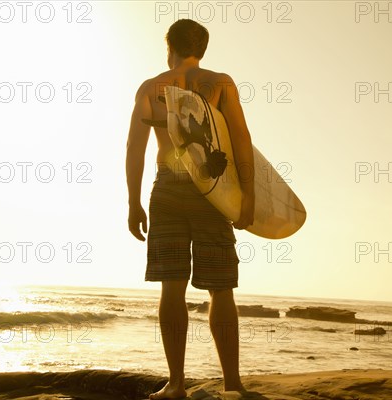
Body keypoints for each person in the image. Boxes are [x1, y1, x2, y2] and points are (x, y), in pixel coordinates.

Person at [125, 19, 255, 399]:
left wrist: (133, 201)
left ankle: (176, 384)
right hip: (212, 189)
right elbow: (241, 138)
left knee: (172, 287)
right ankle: (233, 386)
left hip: (167, 187)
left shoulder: (151, 88)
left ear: (170, 48)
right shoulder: (220, 84)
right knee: (221, 287)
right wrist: (246, 195)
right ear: (203, 49)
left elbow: (135, 147)